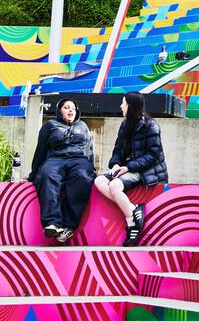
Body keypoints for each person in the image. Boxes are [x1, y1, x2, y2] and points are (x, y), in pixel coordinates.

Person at [94, 92, 167, 245]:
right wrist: (115, 164)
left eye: (123, 103)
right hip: (126, 168)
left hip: (146, 171)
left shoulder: (151, 126)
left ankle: (131, 222)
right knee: (99, 180)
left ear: (130, 106)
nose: (121, 106)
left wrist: (128, 167)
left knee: (114, 186)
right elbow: (118, 150)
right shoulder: (125, 124)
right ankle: (134, 209)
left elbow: (152, 156)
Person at [28, 97, 95, 244]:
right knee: (47, 175)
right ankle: (52, 223)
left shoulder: (83, 126)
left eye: (73, 108)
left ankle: (68, 224)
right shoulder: (50, 125)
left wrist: (92, 169)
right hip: (55, 159)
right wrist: (34, 173)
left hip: (78, 160)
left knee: (83, 177)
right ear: (59, 111)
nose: (71, 110)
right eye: (66, 107)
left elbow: (89, 150)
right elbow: (40, 150)